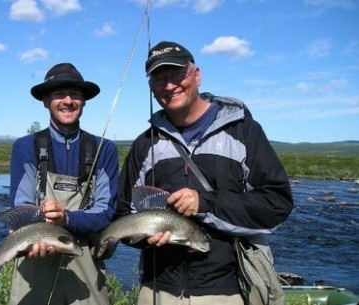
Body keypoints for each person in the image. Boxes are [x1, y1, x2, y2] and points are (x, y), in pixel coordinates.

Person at [115, 41, 294, 304]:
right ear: (151, 89)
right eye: (159, 79)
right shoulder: (145, 144)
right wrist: (144, 239)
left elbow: (277, 203)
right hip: (157, 291)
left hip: (228, 290)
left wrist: (205, 204)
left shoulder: (243, 131)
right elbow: (123, 212)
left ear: (196, 75)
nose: (169, 85)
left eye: (177, 74)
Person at [8, 63, 119, 305]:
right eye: (59, 94)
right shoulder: (25, 147)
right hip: (35, 265)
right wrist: (36, 236)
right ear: (46, 101)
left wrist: (66, 219)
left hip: (86, 266)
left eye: (75, 94)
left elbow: (107, 213)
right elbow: (20, 208)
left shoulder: (105, 149)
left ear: (84, 101)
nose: (68, 101)